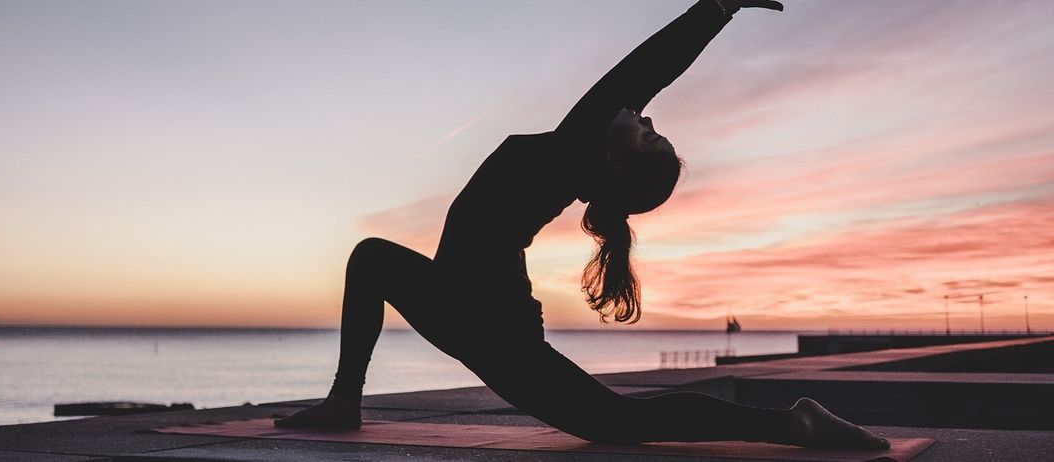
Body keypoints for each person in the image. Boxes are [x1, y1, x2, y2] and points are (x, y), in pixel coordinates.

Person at [276, 0, 890, 450]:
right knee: (371, 258)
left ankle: (792, 422)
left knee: (614, 425)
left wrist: (717, 8)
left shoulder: (576, 150)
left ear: (617, 162)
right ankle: (343, 402)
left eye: (648, 132)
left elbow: (645, 69)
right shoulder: (573, 158)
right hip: (462, 303)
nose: (644, 117)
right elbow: (640, 83)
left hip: (489, 322)